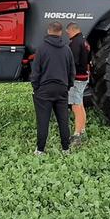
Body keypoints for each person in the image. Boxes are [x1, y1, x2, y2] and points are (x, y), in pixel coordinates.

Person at [30, 21, 75, 154]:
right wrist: (68, 86)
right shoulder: (67, 49)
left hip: (44, 89)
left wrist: (36, 87)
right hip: (61, 88)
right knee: (63, 120)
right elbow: (71, 71)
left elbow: (36, 71)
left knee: (43, 120)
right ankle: (66, 148)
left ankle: (40, 150)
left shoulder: (42, 48)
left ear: (48, 31)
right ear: (60, 32)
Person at [66, 22, 90, 146]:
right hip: (84, 76)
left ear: (72, 30)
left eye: (68, 32)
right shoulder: (85, 41)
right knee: (80, 104)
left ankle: (77, 134)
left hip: (77, 78)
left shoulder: (75, 43)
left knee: (76, 105)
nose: (67, 34)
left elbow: (73, 62)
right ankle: (83, 129)